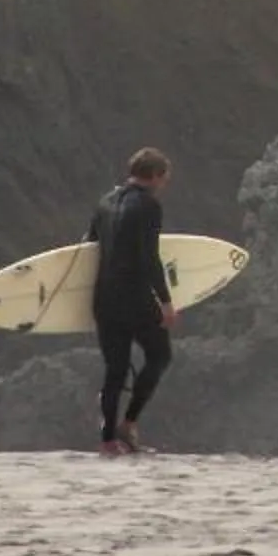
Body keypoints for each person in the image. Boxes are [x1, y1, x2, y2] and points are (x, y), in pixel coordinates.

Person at [86, 146, 175, 456]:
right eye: (164, 178)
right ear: (154, 176)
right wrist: (165, 301)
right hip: (134, 299)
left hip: (103, 300)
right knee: (160, 354)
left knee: (115, 369)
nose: (164, 184)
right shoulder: (148, 206)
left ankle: (108, 441)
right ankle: (129, 422)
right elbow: (150, 258)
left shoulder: (105, 203)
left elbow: (88, 249)